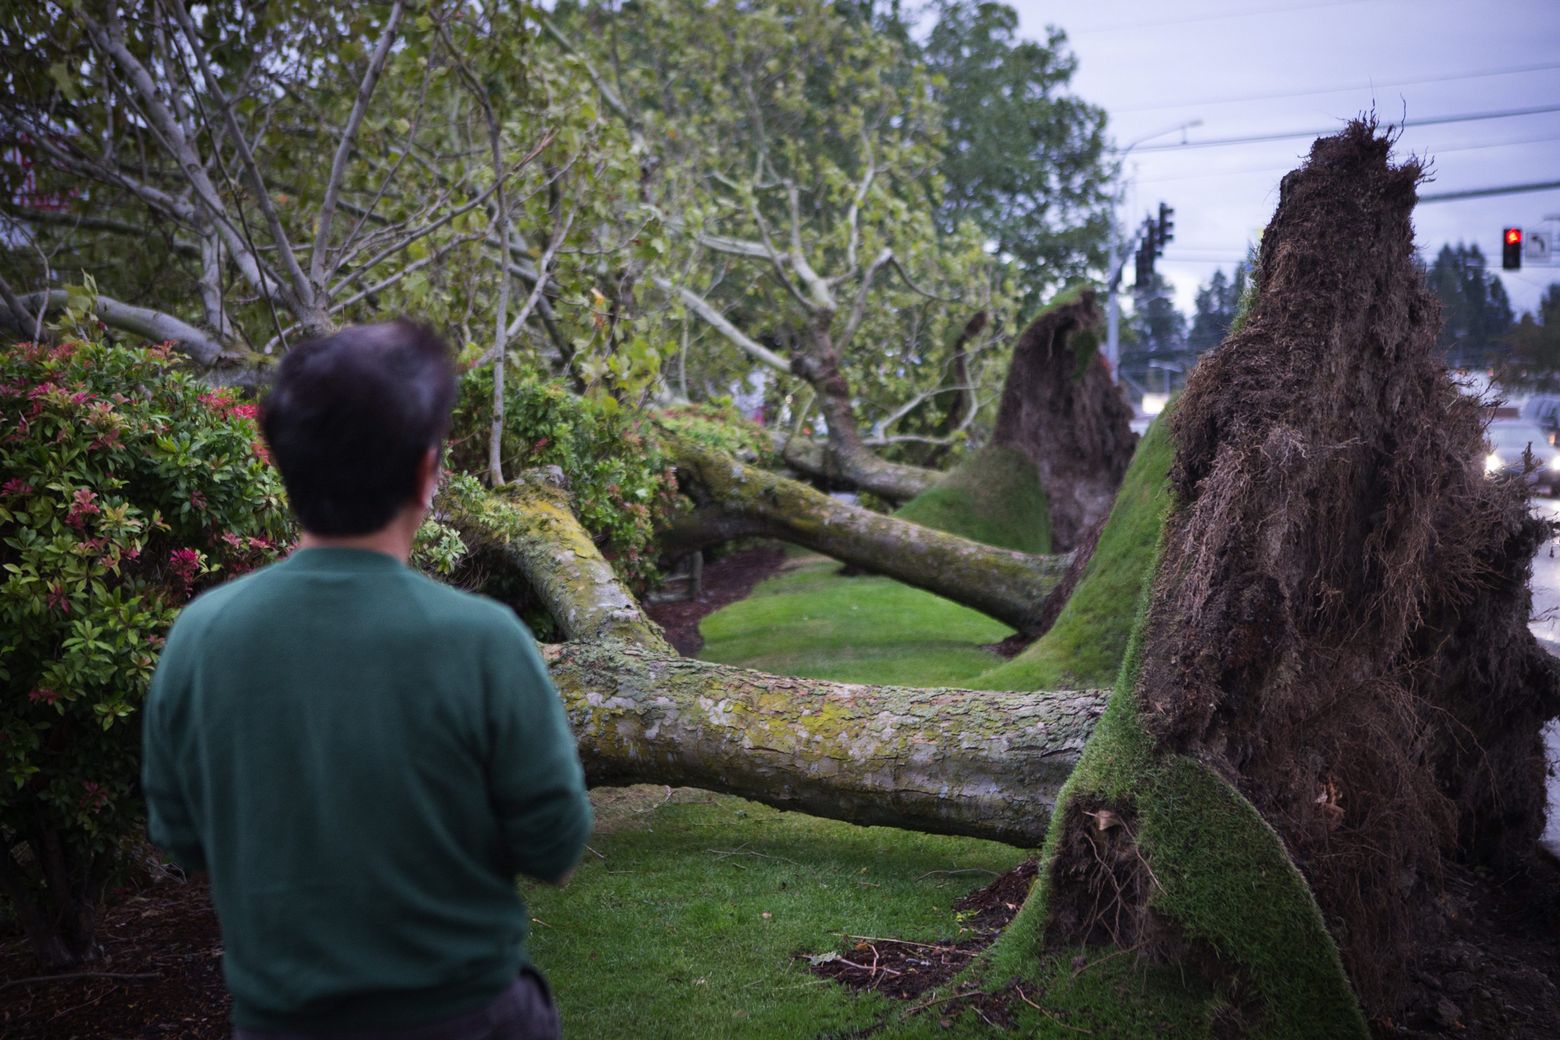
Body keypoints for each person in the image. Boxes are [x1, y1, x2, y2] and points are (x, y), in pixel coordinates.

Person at [142, 320, 592, 1039]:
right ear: (426, 471)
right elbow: (555, 843)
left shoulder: (202, 636)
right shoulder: (483, 641)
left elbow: (182, 837)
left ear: (284, 465)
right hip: (470, 1019)